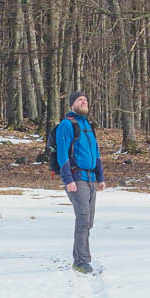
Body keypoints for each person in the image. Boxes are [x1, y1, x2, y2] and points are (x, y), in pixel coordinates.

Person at [55, 90, 105, 273]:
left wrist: (100, 177)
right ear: (72, 105)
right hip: (77, 179)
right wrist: (68, 180)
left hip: (91, 179)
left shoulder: (88, 126)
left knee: (88, 221)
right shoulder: (66, 125)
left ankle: (81, 257)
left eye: (85, 99)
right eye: (79, 100)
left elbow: (96, 154)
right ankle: (81, 261)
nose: (84, 101)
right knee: (83, 219)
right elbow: (62, 155)